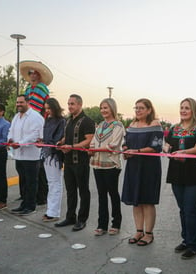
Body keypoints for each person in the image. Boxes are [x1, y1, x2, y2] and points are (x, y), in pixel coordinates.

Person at [164, 98, 196, 259]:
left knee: (191, 210)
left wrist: (183, 153)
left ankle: (193, 245)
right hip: (177, 174)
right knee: (183, 209)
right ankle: (186, 239)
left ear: (193, 110)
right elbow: (168, 145)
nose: (183, 110)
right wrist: (166, 149)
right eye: (181, 107)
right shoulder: (174, 128)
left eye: (187, 108)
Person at [122, 98, 163, 246]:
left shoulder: (155, 125)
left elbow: (156, 146)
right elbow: (125, 143)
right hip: (133, 166)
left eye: (141, 108)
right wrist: (126, 150)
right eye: (136, 108)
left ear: (149, 110)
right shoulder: (131, 125)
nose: (138, 110)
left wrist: (137, 151)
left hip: (149, 167)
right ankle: (138, 231)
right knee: (136, 201)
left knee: (147, 200)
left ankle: (149, 234)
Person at [55, 94, 95, 231]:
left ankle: (82, 219)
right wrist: (62, 142)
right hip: (68, 161)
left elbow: (89, 140)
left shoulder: (87, 121)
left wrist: (71, 147)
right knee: (70, 191)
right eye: (68, 104)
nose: (70, 106)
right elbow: (68, 136)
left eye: (72, 104)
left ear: (79, 104)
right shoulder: (68, 121)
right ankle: (70, 216)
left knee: (83, 191)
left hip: (81, 162)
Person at [89, 98, 125, 236]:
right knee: (101, 195)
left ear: (112, 109)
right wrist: (92, 149)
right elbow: (93, 142)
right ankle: (102, 224)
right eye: (101, 108)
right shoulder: (100, 126)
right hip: (97, 165)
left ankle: (116, 223)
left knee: (113, 194)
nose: (103, 110)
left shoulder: (118, 126)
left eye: (106, 108)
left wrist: (95, 150)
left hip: (111, 165)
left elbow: (113, 145)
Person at [20, 60, 53, 205]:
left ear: (38, 75)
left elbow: (35, 108)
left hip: (38, 124)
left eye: (33, 73)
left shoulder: (41, 88)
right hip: (29, 124)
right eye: (30, 73)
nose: (31, 75)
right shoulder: (28, 89)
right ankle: (28, 193)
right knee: (27, 164)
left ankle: (41, 195)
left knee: (38, 165)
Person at [8, 95, 44, 216]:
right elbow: (11, 130)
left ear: (28, 102)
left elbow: (35, 134)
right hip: (18, 155)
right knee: (23, 181)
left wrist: (20, 143)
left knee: (31, 182)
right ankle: (24, 204)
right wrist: (10, 140)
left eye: (21, 102)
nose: (18, 104)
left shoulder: (36, 117)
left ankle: (31, 205)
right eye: (17, 102)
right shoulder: (16, 117)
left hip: (31, 156)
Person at [37, 98, 65, 222]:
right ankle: (50, 210)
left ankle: (53, 212)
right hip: (46, 154)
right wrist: (41, 142)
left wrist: (45, 143)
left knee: (55, 183)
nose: (47, 111)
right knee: (50, 183)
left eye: (49, 108)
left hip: (55, 155)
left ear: (55, 107)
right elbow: (46, 137)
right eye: (46, 108)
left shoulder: (62, 121)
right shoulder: (47, 120)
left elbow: (57, 139)